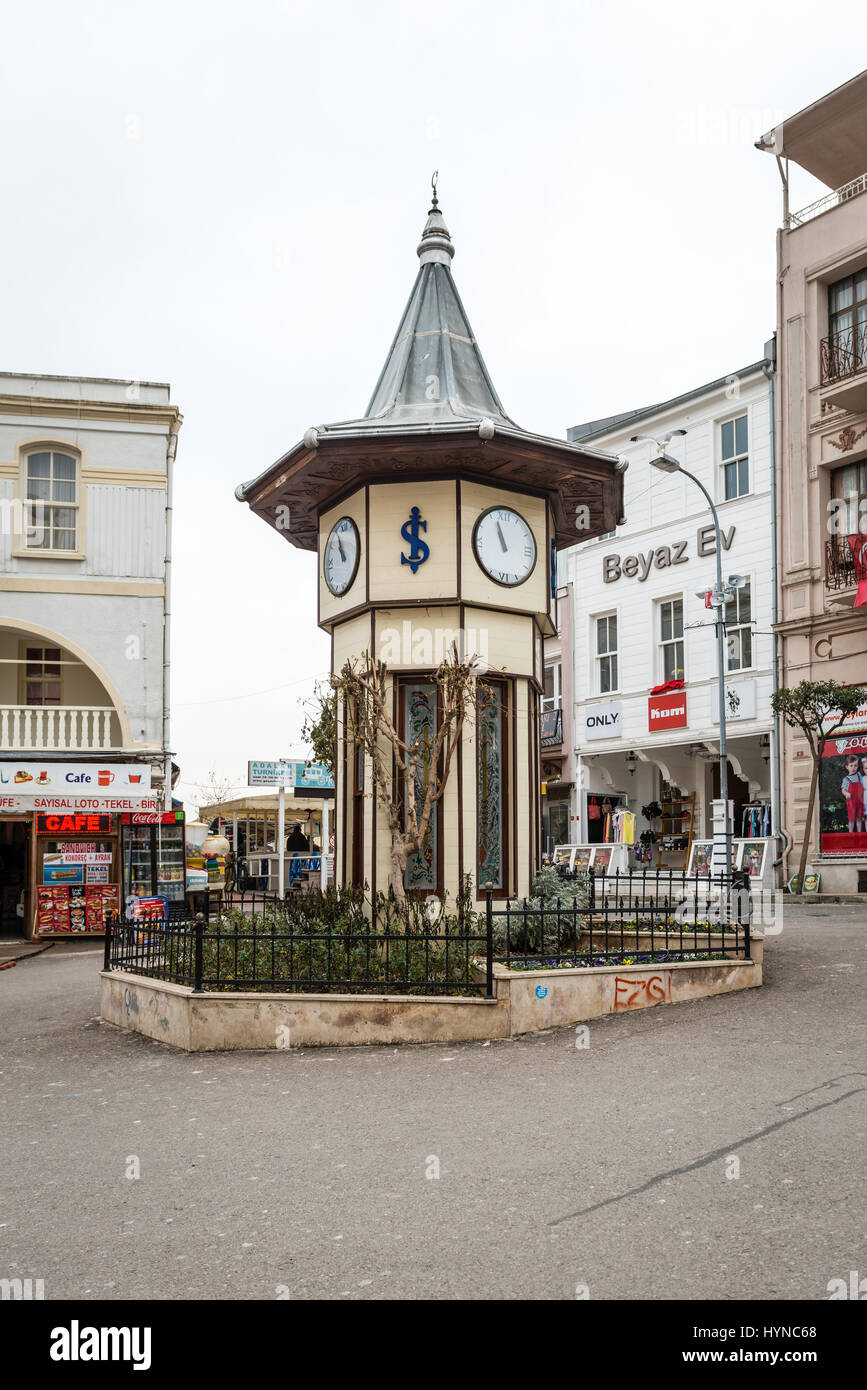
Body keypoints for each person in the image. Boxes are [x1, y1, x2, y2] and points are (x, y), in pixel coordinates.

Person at [841, 754, 864, 833]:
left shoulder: (859, 775)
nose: (853, 768)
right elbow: (843, 790)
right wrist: (846, 793)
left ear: (858, 766)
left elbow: (863, 785)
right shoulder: (846, 779)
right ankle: (850, 834)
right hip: (851, 802)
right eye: (851, 765)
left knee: (859, 818)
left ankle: (859, 833)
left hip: (860, 801)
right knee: (851, 819)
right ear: (847, 767)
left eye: (855, 765)